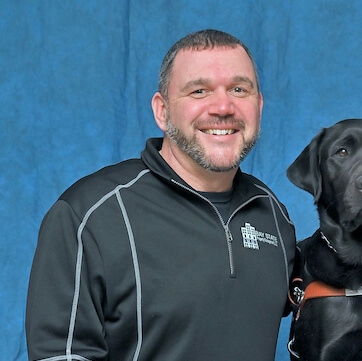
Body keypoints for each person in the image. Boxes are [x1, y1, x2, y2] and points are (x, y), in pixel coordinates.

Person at [25, 29, 296, 361]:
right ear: (162, 111)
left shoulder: (272, 215)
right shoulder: (90, 216)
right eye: (199, 90)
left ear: (258, 105)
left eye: (239, 89)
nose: (223, 106)